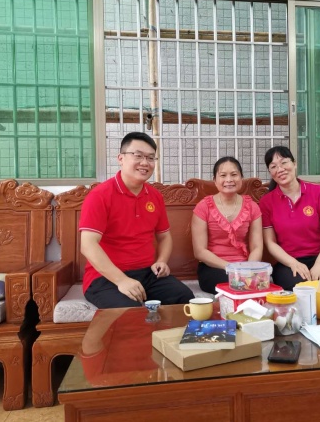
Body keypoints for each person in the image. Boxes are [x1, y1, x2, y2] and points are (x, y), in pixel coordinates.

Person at [80, 131, 194, 308]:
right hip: (105, 277)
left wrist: (162, 260)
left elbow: (164, 236)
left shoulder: (155, 196)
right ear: (121, 158)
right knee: (129, 311)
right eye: (138, 156)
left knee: (185, 297)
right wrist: (121, 280)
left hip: (147, 273)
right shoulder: (100, 195)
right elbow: (88, 245)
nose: (145, 163)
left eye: (150, 158)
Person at [259, 146, 320, 290]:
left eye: (284, 163)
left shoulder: (317, 192)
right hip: (288, 262)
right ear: (270, 172)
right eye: (273, 166)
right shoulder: (266, 202)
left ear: (294, 163)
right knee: (299, 289)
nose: (280, 169)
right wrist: (293, 263)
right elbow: (270, 242)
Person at [191, 157, 263, 294]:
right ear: (215, 180)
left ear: (241, 178)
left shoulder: (252, 207)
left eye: (234, 174)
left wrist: (248, 269)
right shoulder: (203, 207)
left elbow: (257, 247)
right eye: (223, 175)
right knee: (237, 284)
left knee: (256, 283)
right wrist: (231, 268)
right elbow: (200, 252)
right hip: (213, 267)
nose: (229, 180)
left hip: (245, 267)